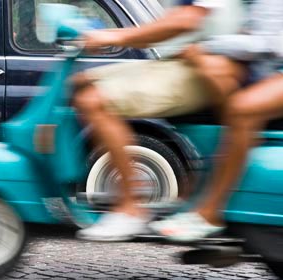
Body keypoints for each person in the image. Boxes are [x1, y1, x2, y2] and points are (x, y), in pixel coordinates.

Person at [72, 0, 247, 241]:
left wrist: (111, 37)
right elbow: (167, 27)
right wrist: (106, 35)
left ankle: (131, 205)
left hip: (202, 66)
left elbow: (185, 21)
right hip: (181, 62)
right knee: (78, 82)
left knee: (93, 100)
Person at [149, 0, 283, 242]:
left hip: (279, 65)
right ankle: (200, 197)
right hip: (270, 65)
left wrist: (202, 47)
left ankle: (210, 213)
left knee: (242, 109)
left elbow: (264, 43)